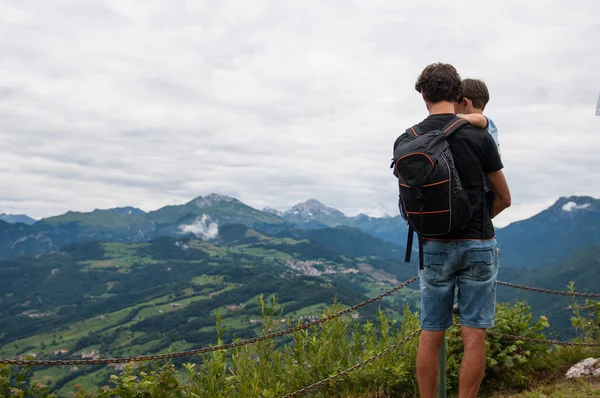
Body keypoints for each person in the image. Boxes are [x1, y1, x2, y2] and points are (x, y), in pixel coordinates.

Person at [392, 63, 511, 398]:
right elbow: (505, 197)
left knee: (431, 334)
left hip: (433, 247)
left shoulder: (409, 140)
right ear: (459, 95)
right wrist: (480, 219)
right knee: (474, 336)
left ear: (423, 95)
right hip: (478, 243)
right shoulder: (478, 135)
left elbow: (408, 202)